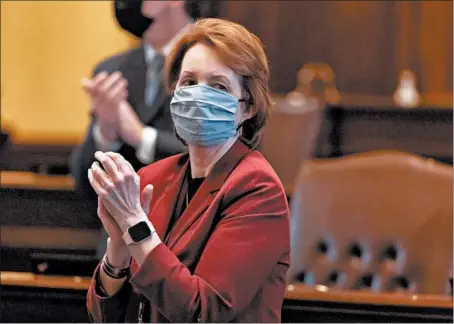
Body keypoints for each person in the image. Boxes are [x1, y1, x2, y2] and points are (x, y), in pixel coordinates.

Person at [86, 18, 291, 323]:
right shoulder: (152, 178)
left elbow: (202, 312)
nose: (198, 96)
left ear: (247, 107)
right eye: (189, 82)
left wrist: (134, 223)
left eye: (218, 86)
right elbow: (105, 317)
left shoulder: (257, 188)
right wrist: (118, 248)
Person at [71, 0, 218, 195]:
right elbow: (82, 180)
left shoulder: (221, 61)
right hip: (121, 222)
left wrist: (141, 137)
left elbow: (218, 159)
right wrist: (106, 134)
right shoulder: (111, 70)